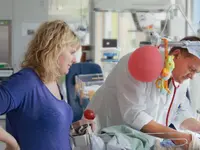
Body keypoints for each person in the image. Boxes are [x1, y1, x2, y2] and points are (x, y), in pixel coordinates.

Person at [87, 36, 200, 149]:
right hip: (108, 133)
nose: (193, 76)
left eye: (197, 72)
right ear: (176, 54)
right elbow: (134, 114)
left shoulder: (180, 77)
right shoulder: (140, 63)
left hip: (141, 141)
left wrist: (197, 128)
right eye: (192, 69)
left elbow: (178, 111)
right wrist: (177, 136)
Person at [0, 20, 86, 150]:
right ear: (55, 49)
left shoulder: (53, 82)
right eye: (72, 52)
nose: (74, 60)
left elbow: (46, 129)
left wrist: (77, 126)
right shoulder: (25, 82)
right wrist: (11, 143)